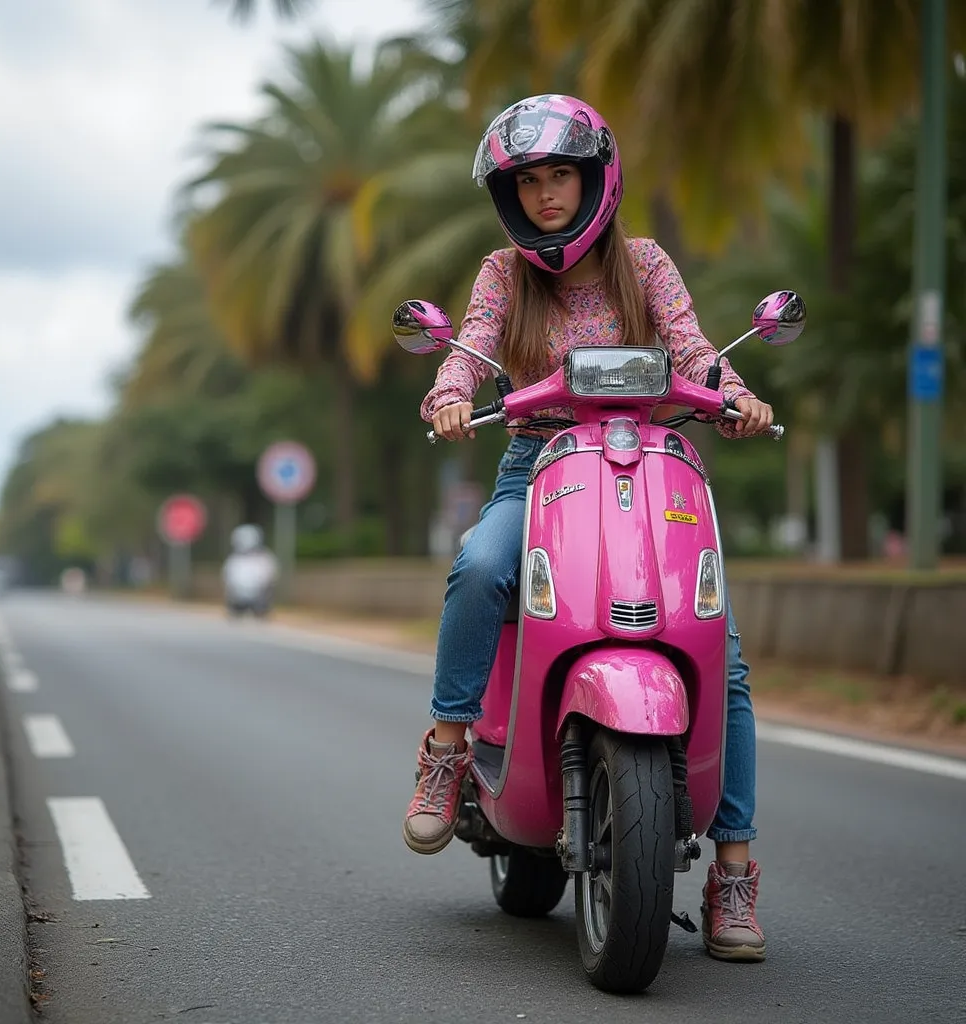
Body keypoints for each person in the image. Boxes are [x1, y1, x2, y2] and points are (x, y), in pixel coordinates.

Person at [402, 95, 772, 962]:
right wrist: (452, 393)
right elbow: (473, 346)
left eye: (559, 174)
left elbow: (692, 349)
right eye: (527, 182)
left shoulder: (644, 263)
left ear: (595, 176)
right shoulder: (503, 274)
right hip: (539, 468)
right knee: (481, 562)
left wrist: (739, 394)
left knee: (725, 654)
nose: (544, 196)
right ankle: (449, 748)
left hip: (657, 465)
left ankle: (735, 875)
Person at [222, 524, 278, 617]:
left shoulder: (264, 558)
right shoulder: (234, 559)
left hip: (259, 596)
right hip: (237, 596)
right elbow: (227, 577)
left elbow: (271, 576)